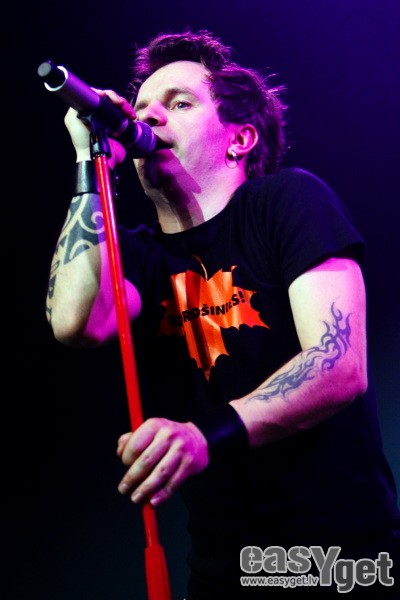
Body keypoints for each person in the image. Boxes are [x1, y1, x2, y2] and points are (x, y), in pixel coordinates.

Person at [46, 29, 400, 598]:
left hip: (340, 562)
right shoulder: (136, 255)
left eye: (179, 103)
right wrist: (89, 161)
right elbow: (74, 321)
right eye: (141, 107)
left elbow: (339, 362)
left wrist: (203, 437)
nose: (148, 117)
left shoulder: (286, 202)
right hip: (221, 571)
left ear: (239, 139)